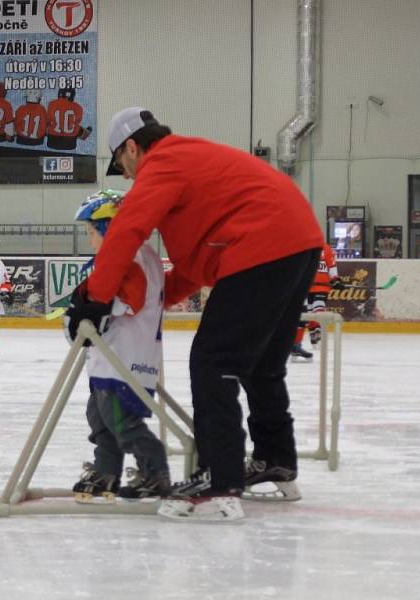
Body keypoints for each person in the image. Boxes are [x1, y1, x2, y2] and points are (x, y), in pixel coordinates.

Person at [65, 107, 323, 521]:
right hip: (298, 245)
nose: (127, 175)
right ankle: (277, 460)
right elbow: (189, 269)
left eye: (122, 164)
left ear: (132, 147)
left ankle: (218, 480)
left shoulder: (163, 162)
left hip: (260, 246)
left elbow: (128, 230)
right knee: (261, 366)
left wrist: (95, 298)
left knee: (212, 361)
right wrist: (155, 300)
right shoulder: (192, 161)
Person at [66, 190, 171, 504]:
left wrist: (96, 309)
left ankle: (155, 472)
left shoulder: (133, 254)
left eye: (91, 232)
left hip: (125, 357)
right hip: (112, 356)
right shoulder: (133, 254)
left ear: (108, 226)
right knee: (98, 415)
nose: (89, 240)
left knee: (120, 420)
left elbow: (131, 299)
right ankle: (106, 470)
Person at [291, 242, 343, 361]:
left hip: (321, 287)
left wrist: (335, 279)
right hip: (305, 286)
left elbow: (331, 265)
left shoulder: (325, 247)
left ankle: (315, 331)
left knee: (318, 310)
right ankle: (297, 345)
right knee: (303, 316)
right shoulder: (301, 246)